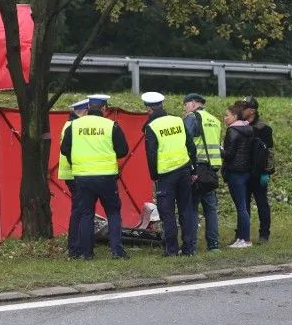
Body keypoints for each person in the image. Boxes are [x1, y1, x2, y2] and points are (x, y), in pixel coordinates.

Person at [61, 94, 130, 259]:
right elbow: (123, 151)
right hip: (106, 177)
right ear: (104, 108)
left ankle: (87, 253)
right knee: (113, 213)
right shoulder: (111, 125)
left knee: (86, 214)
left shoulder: (74, 125)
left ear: (88, 107)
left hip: (82, 177)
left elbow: (64, 149)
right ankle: (116, 251)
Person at [142, 92, 198, 256]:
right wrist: (193, 168)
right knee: (186, 210)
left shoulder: (151, 127)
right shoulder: (178, 120)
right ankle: (188, 248)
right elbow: (191, 146)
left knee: (167, 213)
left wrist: (154, 176)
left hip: (166, 175)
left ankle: (171, 250)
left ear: (149, 109)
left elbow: (151, 155)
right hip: (184, 170)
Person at [181, 93, 222, 252]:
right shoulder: (214, 120)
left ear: (192, 103)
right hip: (211, 169)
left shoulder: (192, 118)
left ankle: (191, 247)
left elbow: (186, 141)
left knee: (191, 207)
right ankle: (213, 245)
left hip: (196, 168)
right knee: (210, 209)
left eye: (185, 105)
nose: (184, 108)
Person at [58, 98, 90, 258]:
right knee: (78, 210)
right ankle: (75, 247)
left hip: (71, 172)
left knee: (78, 209)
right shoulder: (74, 127)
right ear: (84, 112)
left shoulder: (69, 124)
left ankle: (76, 246)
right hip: (74, 173)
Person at [242, 96, 275, 243]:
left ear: (252, 110)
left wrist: (266, 172)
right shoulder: (240, 126)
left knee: (262, 203)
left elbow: (269, 152)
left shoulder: (264, 129)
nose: (241, 110)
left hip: (259, 172)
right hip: (243, 171)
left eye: (245, 107)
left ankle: (264, 234)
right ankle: (243, 234)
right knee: (244, 205)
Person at [222, 101, 254, 248]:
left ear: (235, 116)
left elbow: (229, 154)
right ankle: (242, 238)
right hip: (246, 171)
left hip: (235, 172)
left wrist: (219, 149)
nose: (224, 118)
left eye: (227, 115)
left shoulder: (232, 131)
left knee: (241, 207)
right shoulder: (248, 129)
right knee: (244, 206)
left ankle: (245, 239)